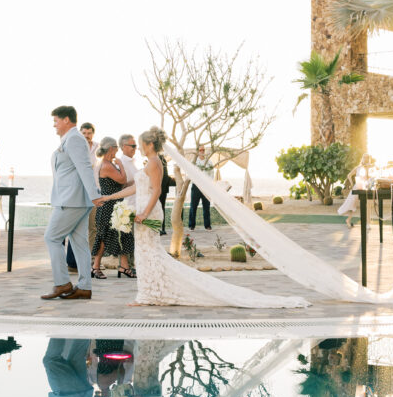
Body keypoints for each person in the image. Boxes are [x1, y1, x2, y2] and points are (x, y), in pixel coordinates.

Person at [95, 127, 308, 308]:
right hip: (142, 213)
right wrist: (109, 197)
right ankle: (150, 292)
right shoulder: (150, 162)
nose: (139, 147)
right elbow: (134, 189)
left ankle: (149, 293)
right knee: (146, 254)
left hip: (147, 214)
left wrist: (143, 213)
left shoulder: (154, 163)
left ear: (150, 144)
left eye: (140, 144)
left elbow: (157, 191)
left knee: (149, 253)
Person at [41, 106, 103, 301]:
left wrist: (94, 195)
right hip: (76, 199)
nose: (54, 125)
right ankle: (84, 286)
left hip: (71, 200)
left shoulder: (75, 139)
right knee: (79, 243)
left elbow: (85, 167)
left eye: (56, 121)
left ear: (66, 120)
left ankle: (62, 283)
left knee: (52, 237)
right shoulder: (69, 139)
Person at [91, 137, 134, 279]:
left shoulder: (108, 164)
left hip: (116, 205)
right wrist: (121, 164)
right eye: (116, 147)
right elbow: (122, 179)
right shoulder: (107, 165)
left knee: (123, 235)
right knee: (104, 237)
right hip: (109, 206)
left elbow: (120, 185)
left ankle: (124, 266)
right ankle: (95, 267)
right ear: (111, 148)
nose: (117, 150)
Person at [338, 154, 374, 228]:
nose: (366, 159)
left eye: (367, 158)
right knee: (352, 204)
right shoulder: (358, 168)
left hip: (367, 187)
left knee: (368, 205)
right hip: (357, 187)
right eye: (364, 157)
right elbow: (349, 175)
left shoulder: (371, 168)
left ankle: (368, 223)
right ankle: (348, 220)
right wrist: (352, 184)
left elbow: (372, 177)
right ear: (362, 158)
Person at [188, 144, 214, 231]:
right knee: (193, 206)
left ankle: (207, 225)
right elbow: (190, 173)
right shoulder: (193, 162)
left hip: (206, 187)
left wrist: (208, 185)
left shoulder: (209, 162)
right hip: (196, 186)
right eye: (200, 150)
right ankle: (191, 225)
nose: (202, 151)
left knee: (206, 206)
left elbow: (211, 175)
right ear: (197, 151)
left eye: (203, 150)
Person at [158, 153, 176, 236]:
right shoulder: (161, 159)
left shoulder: (160, 159)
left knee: (160, 209)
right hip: (162, 189)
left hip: (160, 189)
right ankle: (161, 228)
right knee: (161, 209)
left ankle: (160, 228)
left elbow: (164, 175)